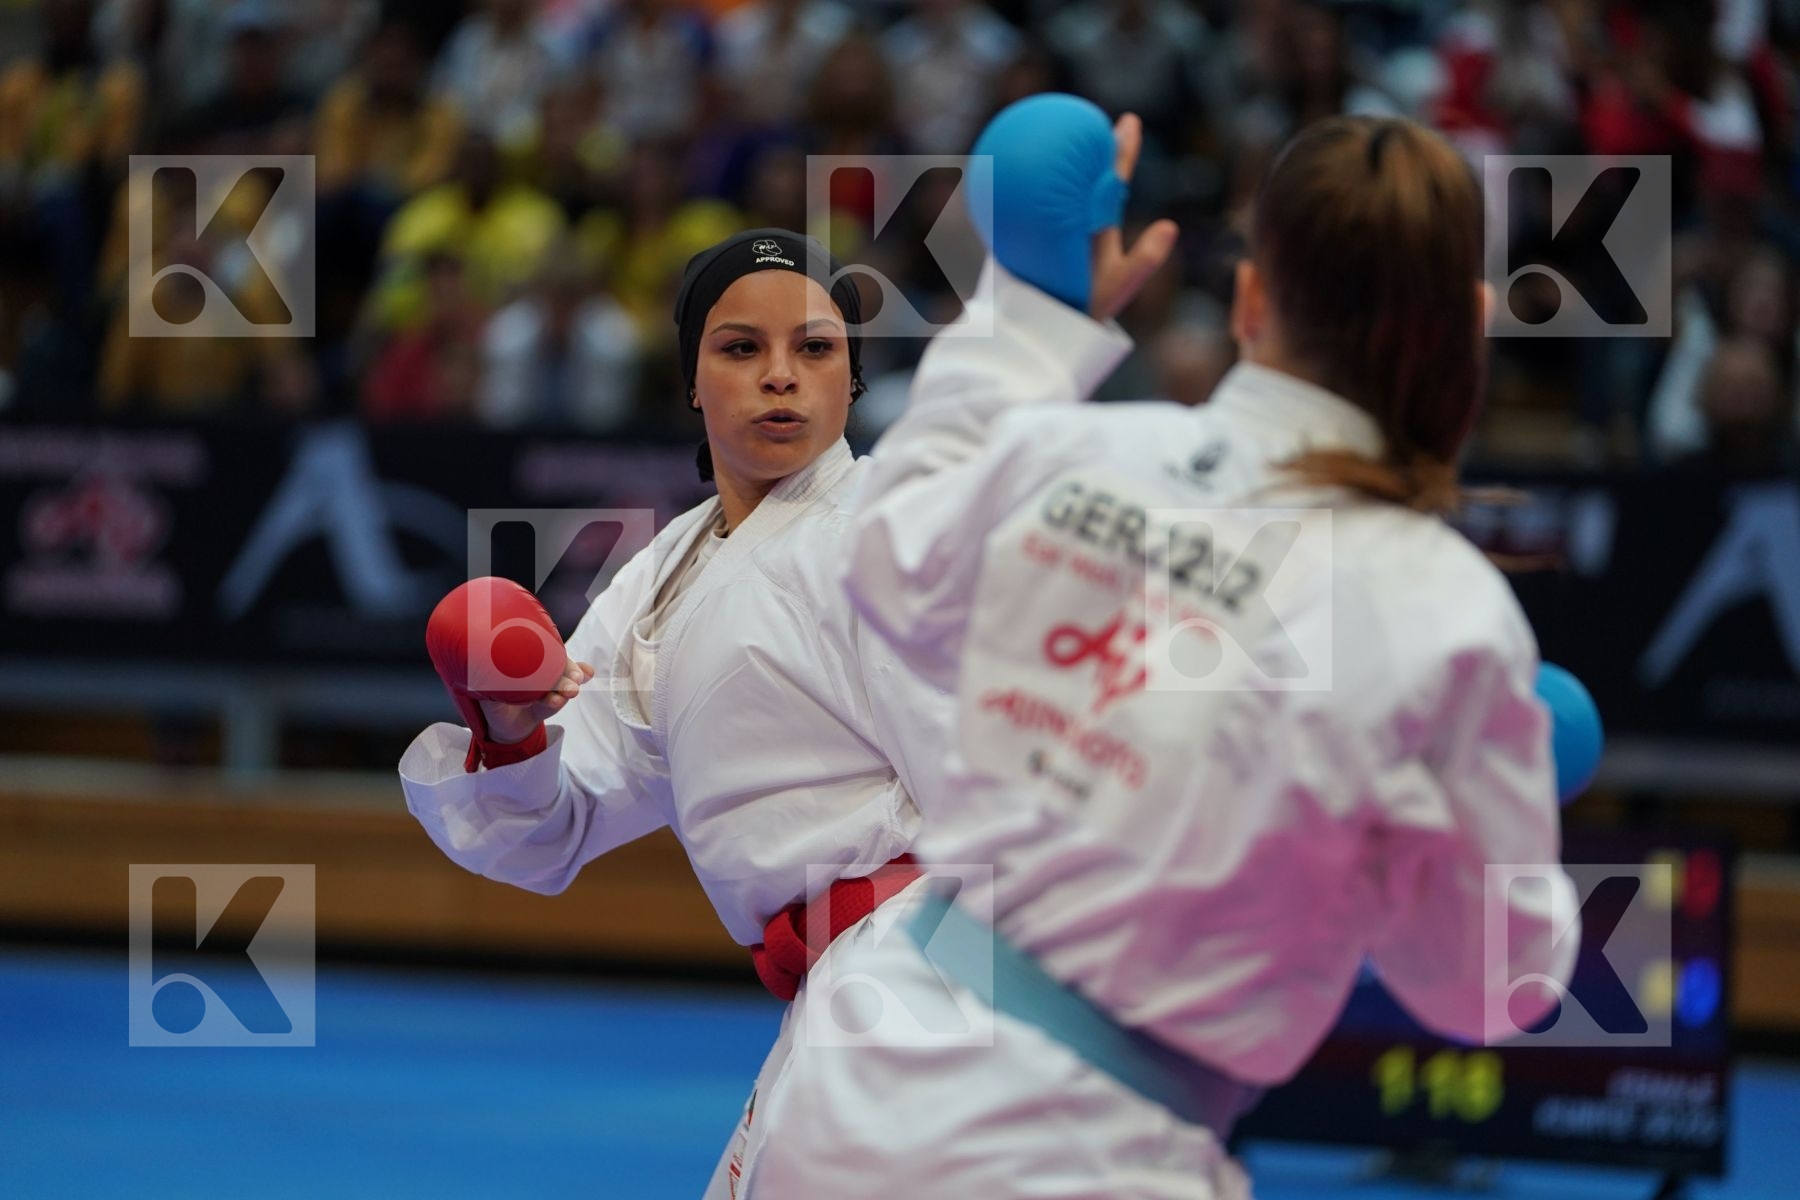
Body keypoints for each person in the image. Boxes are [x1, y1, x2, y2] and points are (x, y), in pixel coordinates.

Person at [738, 102, 1580, 1197]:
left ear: (1249, 300)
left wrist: (1028, 310)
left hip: (853, 1075)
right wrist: (1500, 829)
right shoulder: (1446, 617)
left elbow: (884, 559)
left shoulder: (1081, 451)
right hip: (1083, 1155)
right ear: (1473, 323)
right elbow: (1489, 990)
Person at [396, 228, 951, 1199]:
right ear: (691, 380)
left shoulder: (893, 532)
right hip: (842, 987)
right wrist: (506, 729)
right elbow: (552, 834)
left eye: (815, 349)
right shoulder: (662, 578)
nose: (781, 376)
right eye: (742, 348)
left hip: (930, 966)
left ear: (855, 380)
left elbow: (1007, 787)